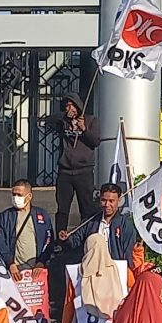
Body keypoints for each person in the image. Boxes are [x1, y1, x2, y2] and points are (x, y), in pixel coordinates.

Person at [0, 179, 54, 323]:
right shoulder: (6, 216)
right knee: (15, 309)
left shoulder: (42, 215)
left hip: (36, 273)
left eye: (19, 194)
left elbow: (49, 240)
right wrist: (10, 263)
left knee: (37, 308)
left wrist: (42, 261)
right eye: (14, 194)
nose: (15, 197)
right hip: (15, 271)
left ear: (29, 196)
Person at [51, 96, 103, 226]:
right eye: (68, 105)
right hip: (65, 171)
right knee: (62, 208)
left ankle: (86, 235)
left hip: (84, 171)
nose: (71, 108)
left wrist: (84, 129)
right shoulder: (63, 121)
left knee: (86, 207)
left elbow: (95, 141)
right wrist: (64, 116)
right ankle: (60, 238)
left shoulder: (91, 120)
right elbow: (48, 121)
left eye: (73, 105)